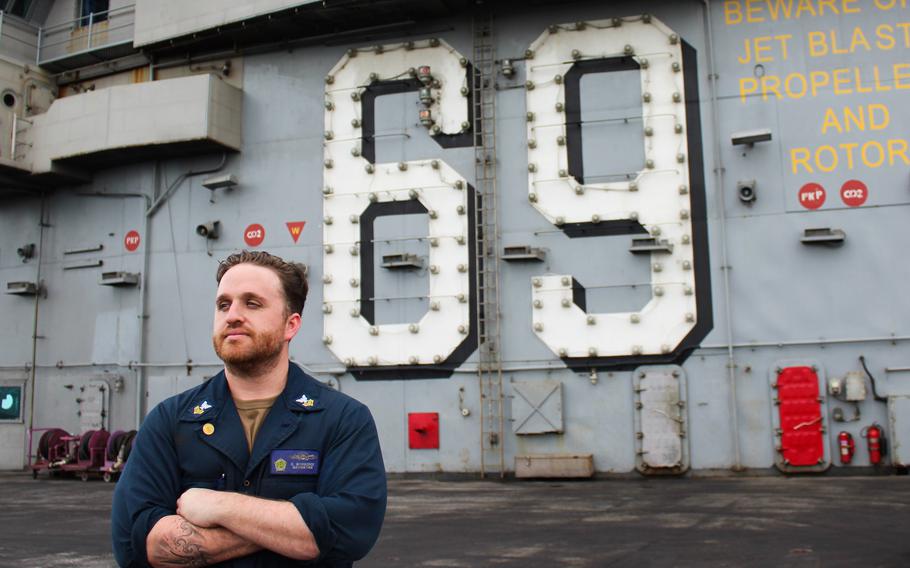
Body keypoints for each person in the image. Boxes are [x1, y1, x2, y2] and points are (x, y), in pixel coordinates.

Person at [112, 251, 386, 567]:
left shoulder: (343, 419)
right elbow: (139, 544)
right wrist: (293, 529)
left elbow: (352, 529)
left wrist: (219, 507)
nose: (232, 316)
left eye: (252, 303)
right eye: (223, 305)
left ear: (290, 325)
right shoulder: (170, 421)